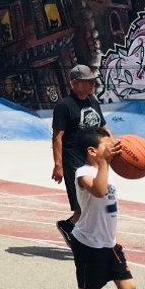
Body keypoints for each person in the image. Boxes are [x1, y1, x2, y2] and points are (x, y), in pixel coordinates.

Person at [49, 127, 141, 289]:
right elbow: (99, 192)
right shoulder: (83, 172)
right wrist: (104, 164)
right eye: (107, 146)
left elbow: (109, 207)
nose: (113, 149)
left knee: (128, 287)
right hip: (89, 244)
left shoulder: (105, 171)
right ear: (92, 151)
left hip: (108, 243)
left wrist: (114, 236)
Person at [53, 64, 113, 246]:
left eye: (93, 81)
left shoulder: (92, 101)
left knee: (93, 204)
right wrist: (58, 165)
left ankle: (70, 227)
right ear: (74, 83)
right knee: (82, 207)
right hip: (74, 161)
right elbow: (57, 136)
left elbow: (103, 126)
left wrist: (114, 144)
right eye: (88, 82)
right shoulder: (64, 106)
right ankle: (79, 236)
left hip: (94, 160)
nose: (92, 84)